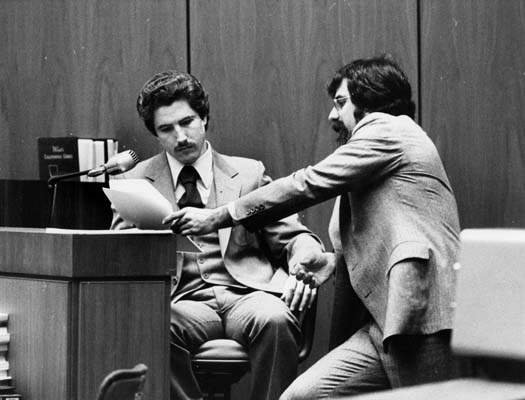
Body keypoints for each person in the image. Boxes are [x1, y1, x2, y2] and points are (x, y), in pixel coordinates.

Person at [164, 55, 461, 398]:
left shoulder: (388, 129)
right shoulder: (371, 156)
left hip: (418, 313)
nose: (333, 115)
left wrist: (220, 215)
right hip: (381, 323)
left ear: (370, 100)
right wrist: (329, 260)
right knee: (302, 396)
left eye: (341, 102)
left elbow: (307, 183)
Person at [110, 70, 324, 400]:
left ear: (204, 118)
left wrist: (303, 264)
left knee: (276, 319)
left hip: (247, 295)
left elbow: (294, 236)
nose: (180, 136)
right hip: (182, 301)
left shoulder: (249, 173)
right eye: (166, 129)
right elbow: (117, 256)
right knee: (155, 324)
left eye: (187, 122)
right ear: (155, 134)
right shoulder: (135, 180)